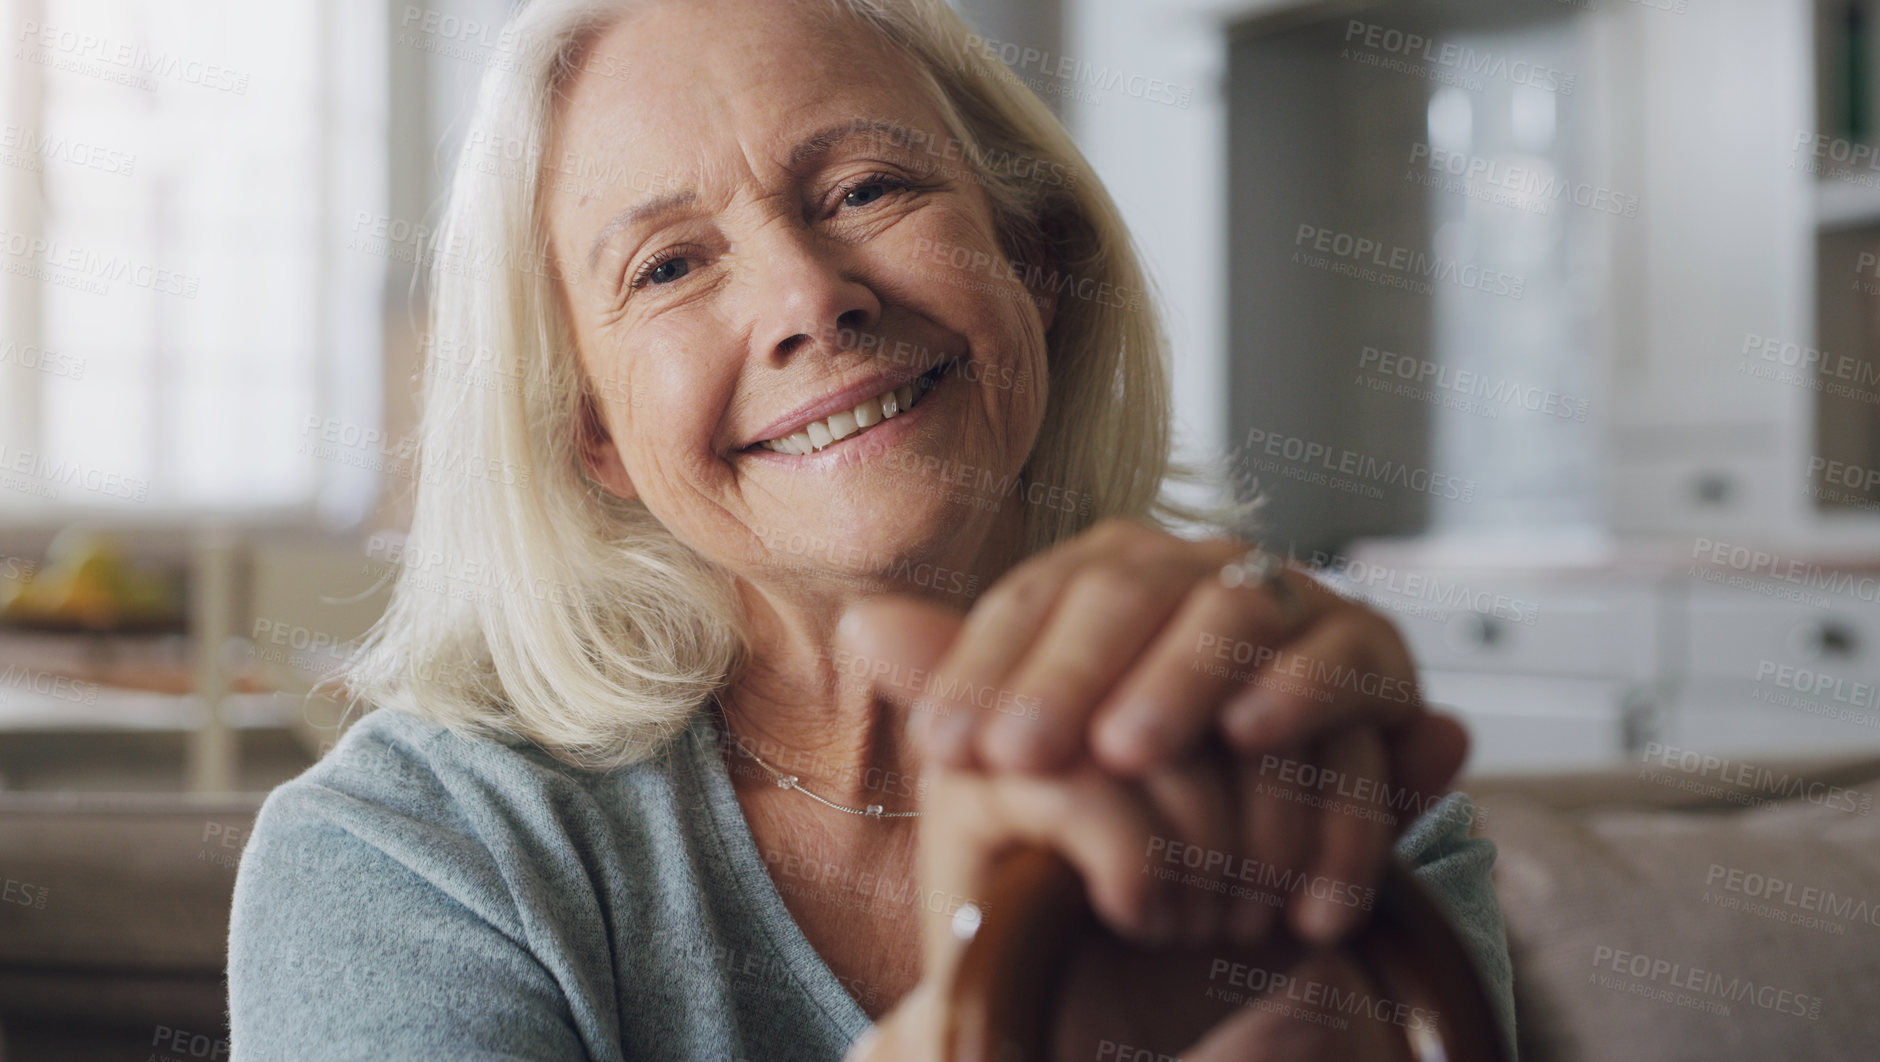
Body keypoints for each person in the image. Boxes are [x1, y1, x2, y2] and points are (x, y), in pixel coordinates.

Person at [228, 0, 1514, 1058]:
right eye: (668, 266)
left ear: (1036, 262)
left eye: (865, 188)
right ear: (593, 433)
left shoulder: (1310, 780)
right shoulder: (412, 853)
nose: (806, 298)